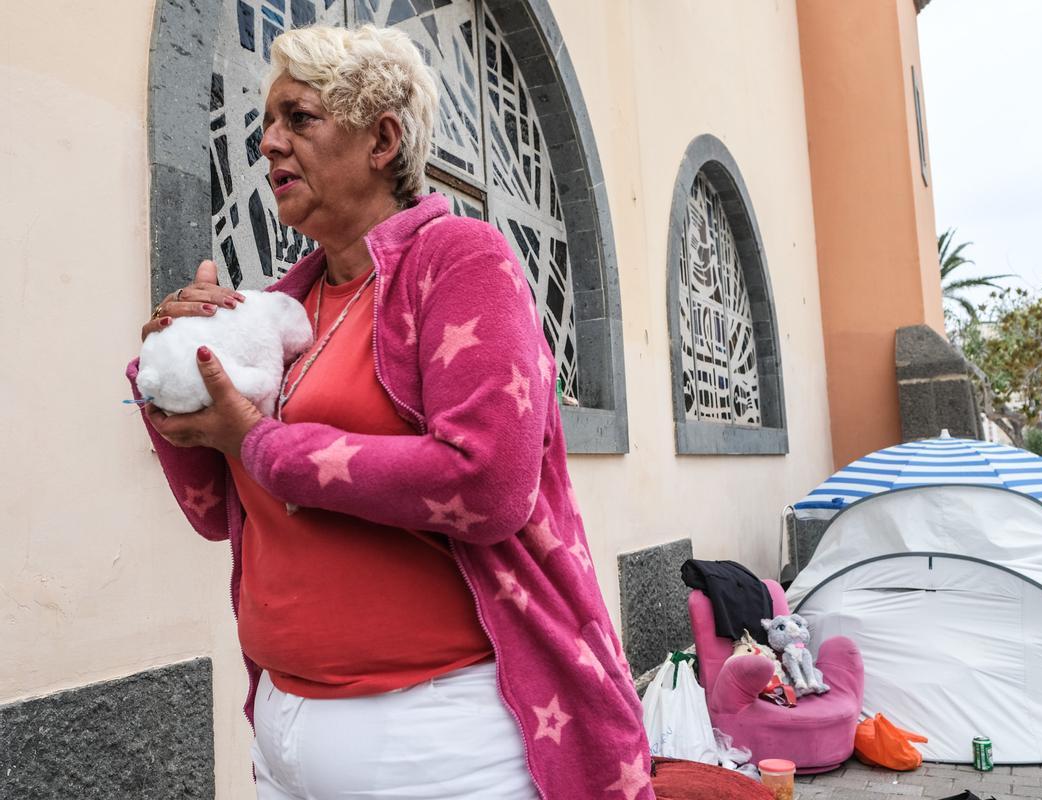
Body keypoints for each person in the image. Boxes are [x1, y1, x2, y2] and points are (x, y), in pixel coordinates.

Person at [129, 24, 653, 800]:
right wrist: (171, 372)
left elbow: (487, 484)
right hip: (282, 724)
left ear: (381, 140)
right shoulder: (281, 307)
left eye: (299, 119)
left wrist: (262, 443)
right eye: (265, 123)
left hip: (436, 737)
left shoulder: (460, 260)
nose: (268, 143)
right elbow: (215, 510)